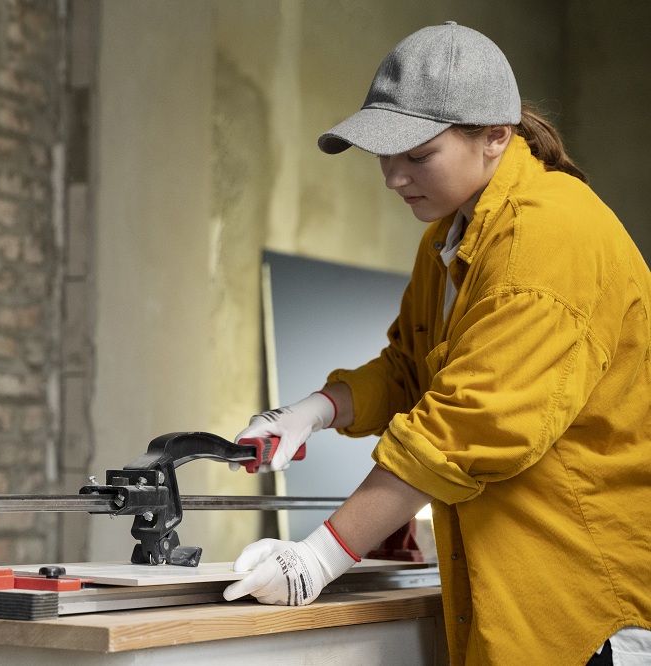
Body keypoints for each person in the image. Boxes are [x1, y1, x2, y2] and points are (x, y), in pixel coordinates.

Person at [221, 21, 651, 666]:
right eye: (383, 155)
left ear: (494, 137)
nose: (394, 177)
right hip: (509, 591)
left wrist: (320, 556)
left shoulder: (552, 237)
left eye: (417, 156)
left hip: (578, 606)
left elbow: (464, 425)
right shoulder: (452, 234)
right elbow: (409, 367)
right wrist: (315, 409)